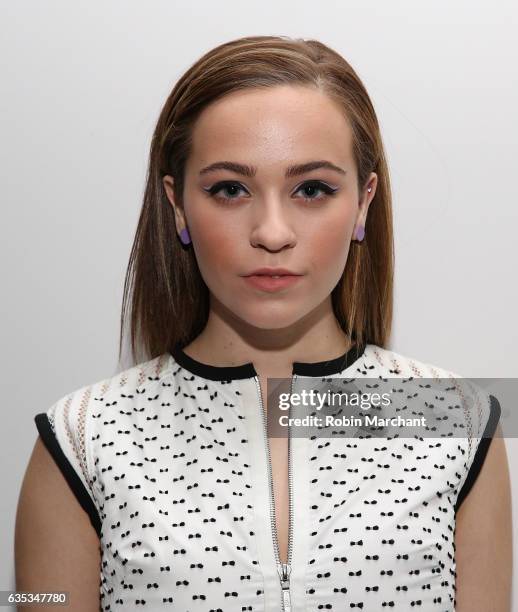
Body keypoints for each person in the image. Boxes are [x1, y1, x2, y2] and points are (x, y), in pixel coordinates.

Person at [15, 35, 512, 611]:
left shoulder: (460, 418)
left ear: (363, 203)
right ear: (177, 205)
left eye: (312, 189)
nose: (272, 232)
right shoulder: (80, 438)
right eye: (229, 189)